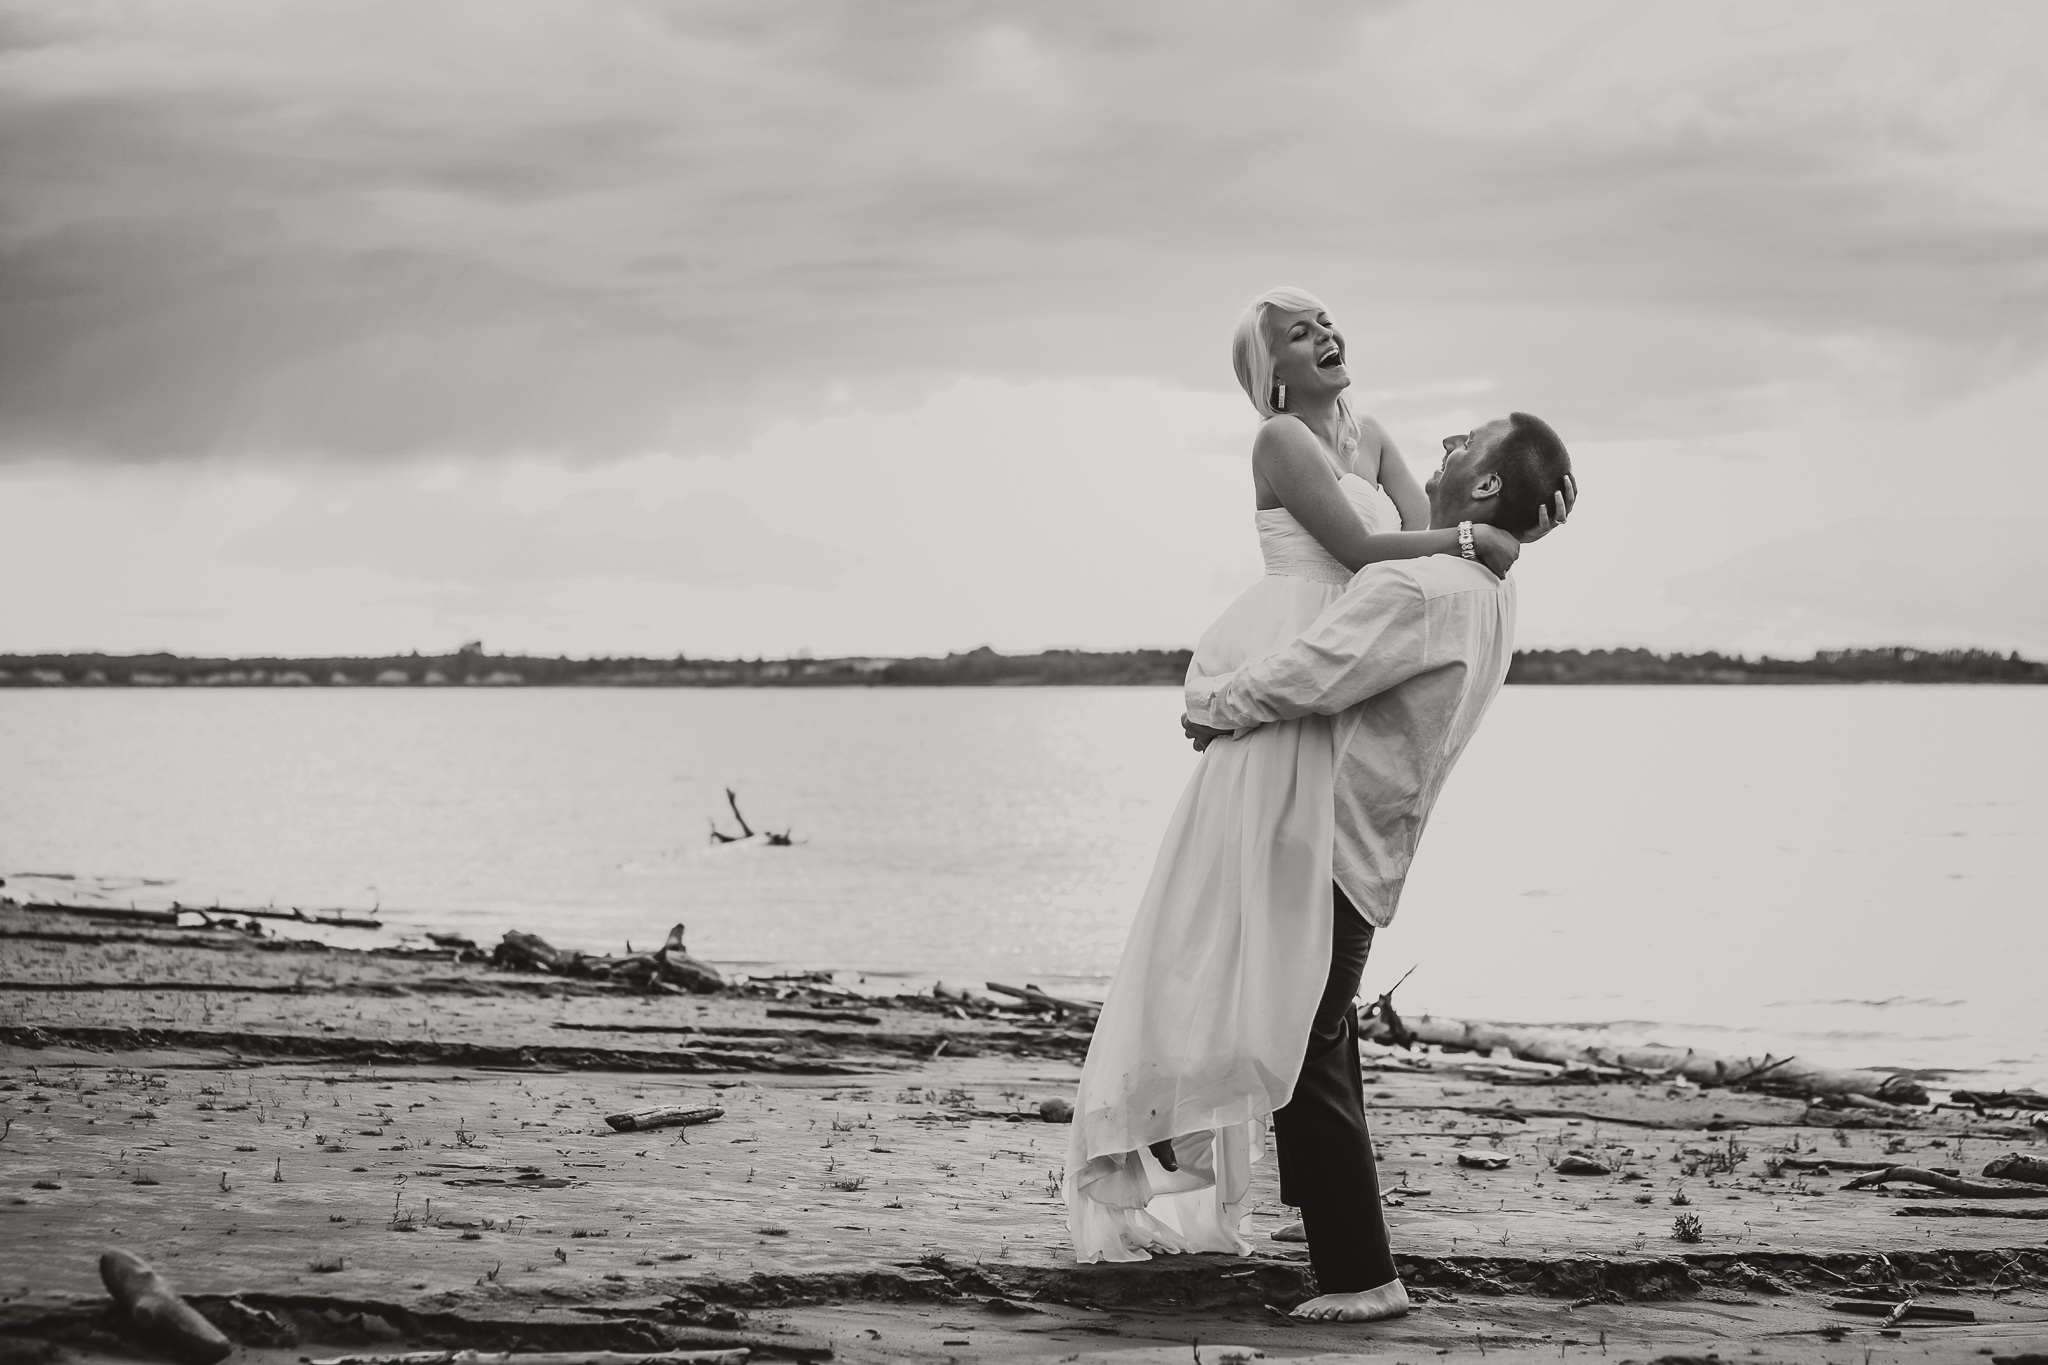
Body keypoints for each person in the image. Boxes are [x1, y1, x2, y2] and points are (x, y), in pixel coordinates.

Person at [1063, 283, 1571, 1298]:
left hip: (1326, 756)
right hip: (1324, 746)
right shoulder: (1442, 563)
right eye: (1299, 332)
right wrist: (1487, 536)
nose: (1326, 334)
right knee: (1252, 979)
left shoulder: (1430, 577)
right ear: (1271, 370)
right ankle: (1275, 1210)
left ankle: (1347, 1266)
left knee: (1288, 1017)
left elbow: (1388, 591)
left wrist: (1216, 703)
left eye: (1325, 320)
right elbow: (1384, 563)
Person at [1176, 410, 1574, 1320]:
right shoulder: (1490, 588)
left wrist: (1210, 703)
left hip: (1330, 838)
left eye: (1464, 442)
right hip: (1369, 842)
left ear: (1480, 487)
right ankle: (1323, 1227)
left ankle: (1363, 1276)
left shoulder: (1426, 588)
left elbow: (1308, 670)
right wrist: (1526, 524)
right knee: (1316, 1031)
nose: (1442, 445)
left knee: (1303, 1041)